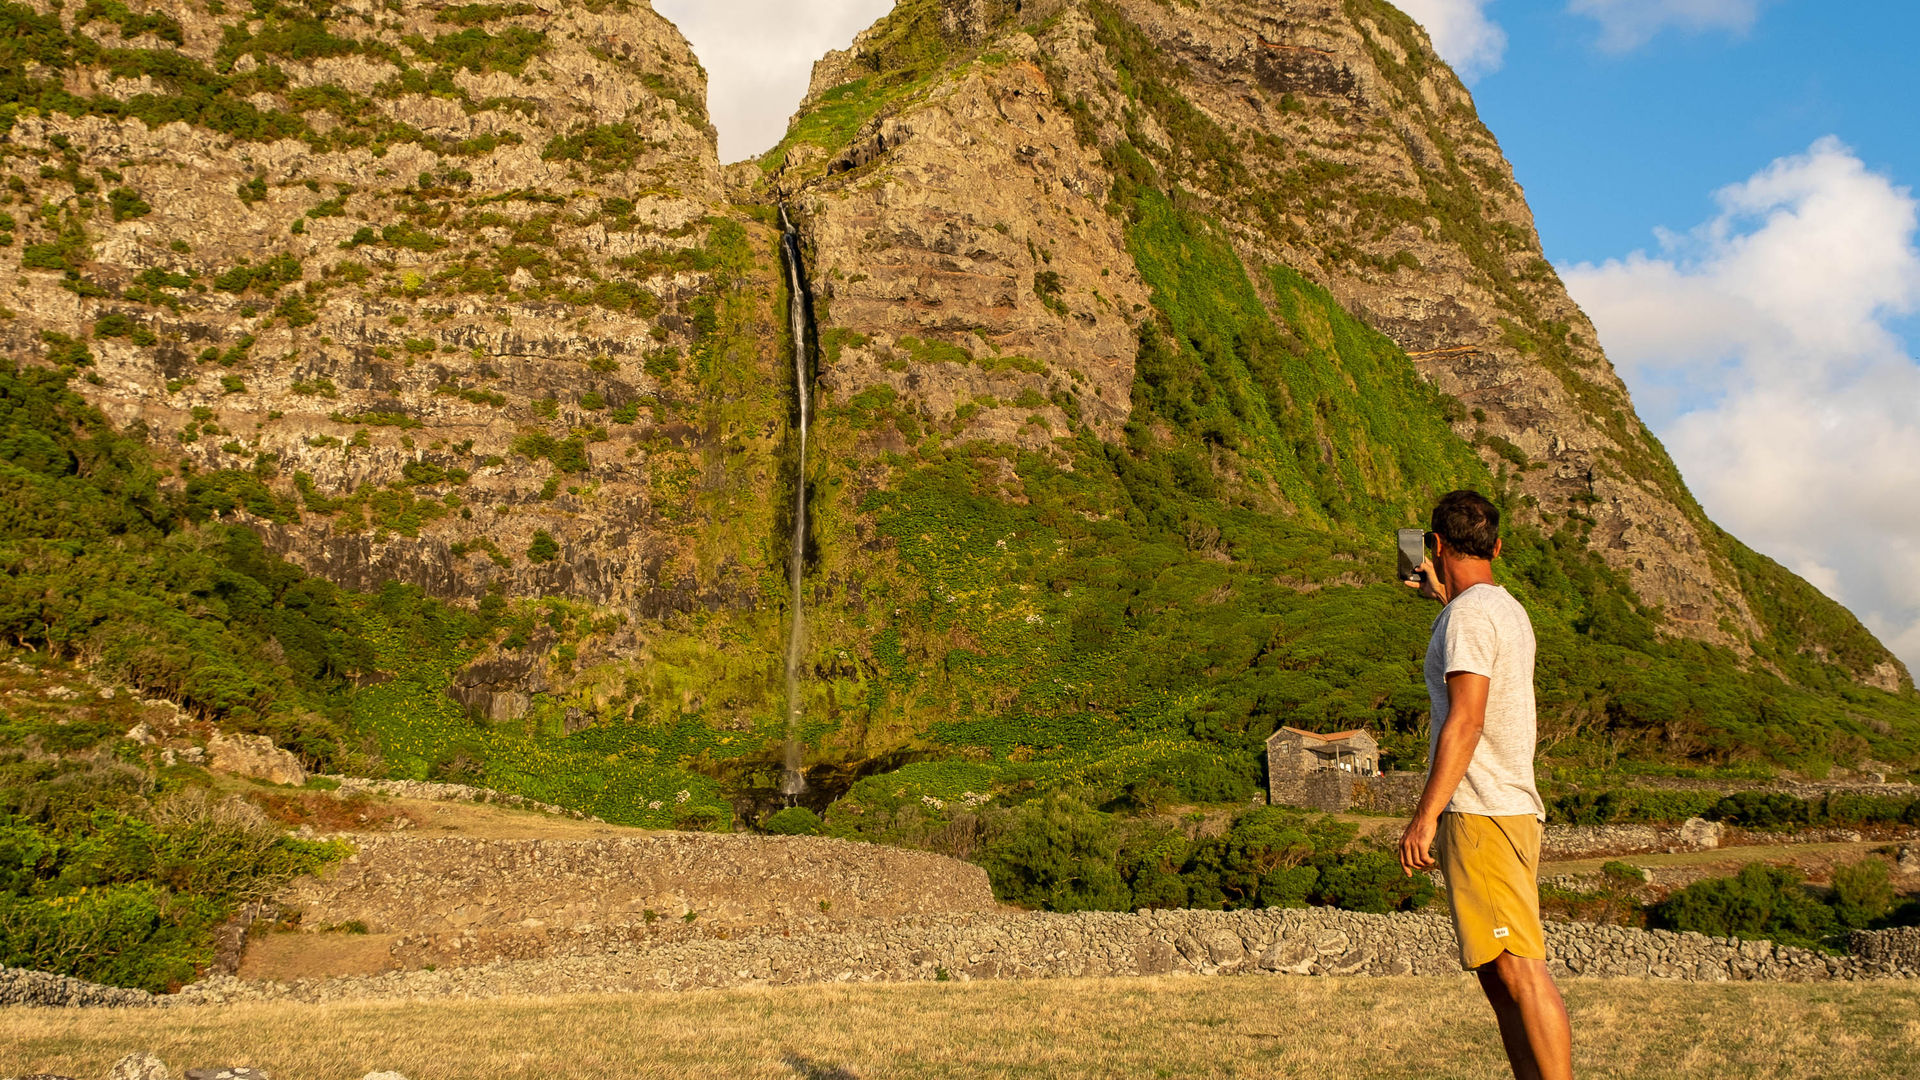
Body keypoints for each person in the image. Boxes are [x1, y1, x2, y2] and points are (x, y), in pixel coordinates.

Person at [1399, 489, 1573, 1080]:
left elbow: (1467, 720)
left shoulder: (1469, 617)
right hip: (1504, 808)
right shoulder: (1500, 609)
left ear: (1435, 544)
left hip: (1481, 811)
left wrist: (1425, 816)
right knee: (1499, 974)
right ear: (1496, 548)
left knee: (1519, 968)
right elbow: (1471, 619)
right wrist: (1441, 594)